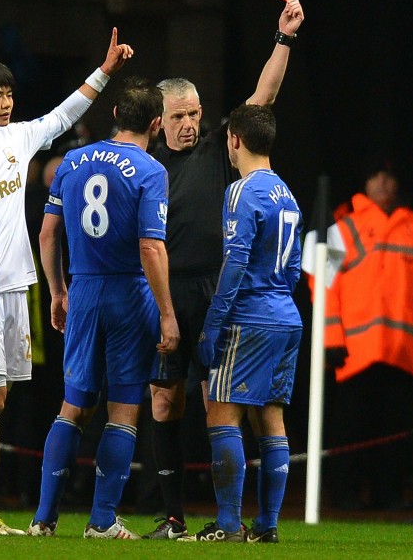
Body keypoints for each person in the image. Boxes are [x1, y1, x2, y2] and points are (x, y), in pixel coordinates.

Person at [0, 28, 134, 535]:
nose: (6, 103)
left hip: (17, 289)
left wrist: (106, 71)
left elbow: (65, 113)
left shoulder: (19, 138)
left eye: (10, 94)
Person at [144, 0, 305, 539]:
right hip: (167, 290)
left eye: (195, 113)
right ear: (158, 121)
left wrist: (282, 39)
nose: (191, 124)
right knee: (165, 401)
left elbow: (263, 100)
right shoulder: (145, 165)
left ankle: (229, 520)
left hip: (219, 291)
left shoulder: (222, 151)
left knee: (222, 404)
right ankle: (173, 517)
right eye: (179, 116)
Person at [27, 77, 179, 539]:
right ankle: (102, 520)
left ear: (114, 115)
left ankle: (43, 519)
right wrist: (167, 312)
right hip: (128, 294)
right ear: (156, 123)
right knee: (123, 409)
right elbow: (151, 247)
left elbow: (47, 235)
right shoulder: (151, 171)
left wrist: (57, 290)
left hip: (85, 290)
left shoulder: (72, 161)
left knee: (72, 405)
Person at [186, 104, 302, 543]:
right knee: (270, 419)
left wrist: (214, 324)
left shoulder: (242, 190)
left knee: (222, 413)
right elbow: (292, 268)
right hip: (285, 317)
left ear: (235, 139)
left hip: (249, 316)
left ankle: (229, 524)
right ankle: (267, 527)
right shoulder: (286, 194)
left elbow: (234, 263)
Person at [323, 163, 413, 511]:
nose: (382, 181)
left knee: (395, 431)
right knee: (351, 428)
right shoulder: (343, 227)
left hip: (402, 352)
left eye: (390, 175)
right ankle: (345, 494)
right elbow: (323, 285)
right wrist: (331, 337)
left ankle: (389, 493)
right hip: (355, 352)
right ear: (363, 182)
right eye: (375, 174)